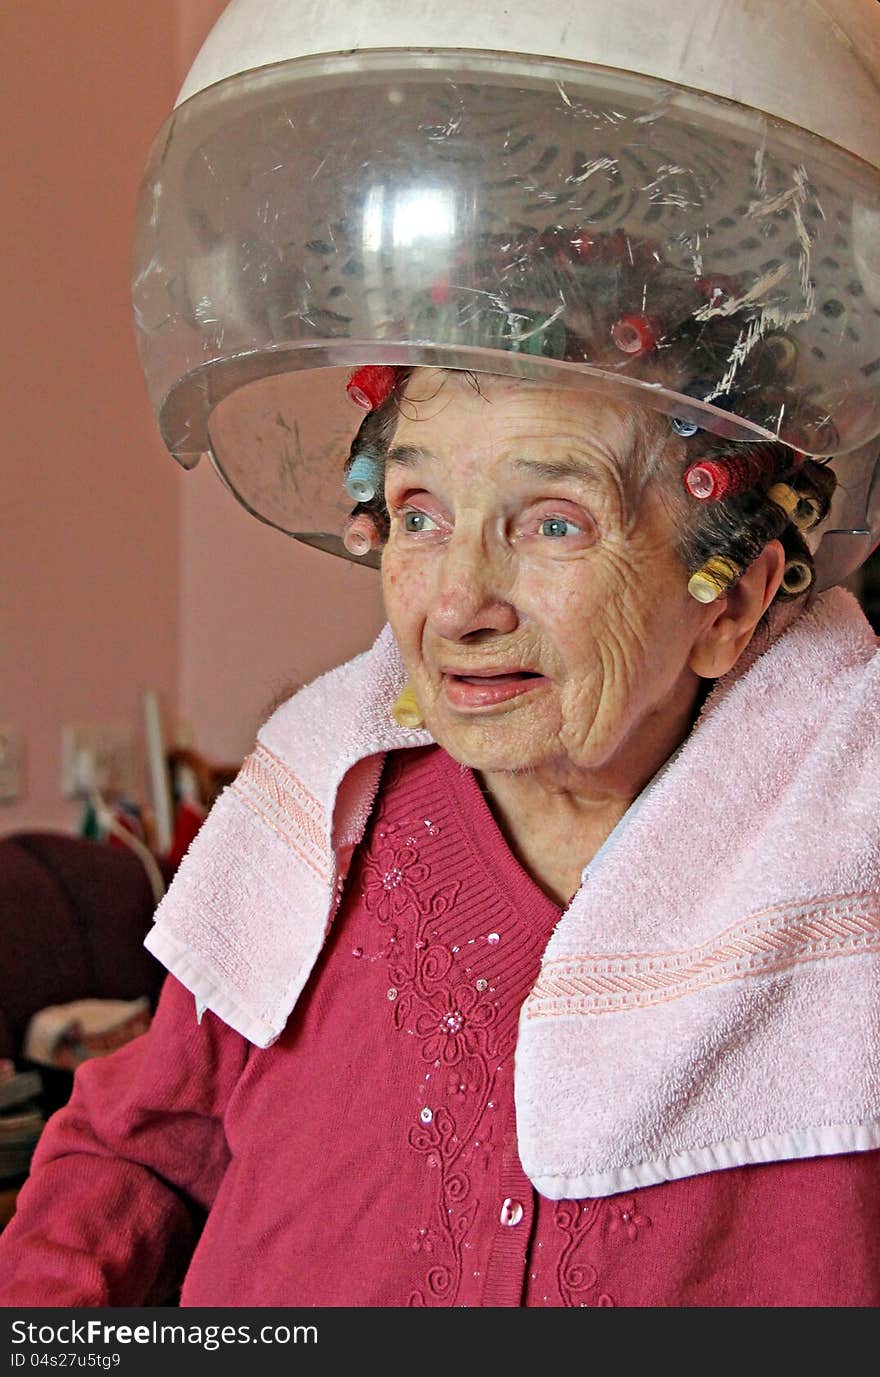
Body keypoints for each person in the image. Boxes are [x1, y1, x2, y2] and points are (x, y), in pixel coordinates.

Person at [2, 0, 880, 1308]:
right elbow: (127, 1148)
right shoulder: (324, 812)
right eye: (417, 513)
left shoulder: (845, 868)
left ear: (736, 602)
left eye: (551, 520)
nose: (454, 599)